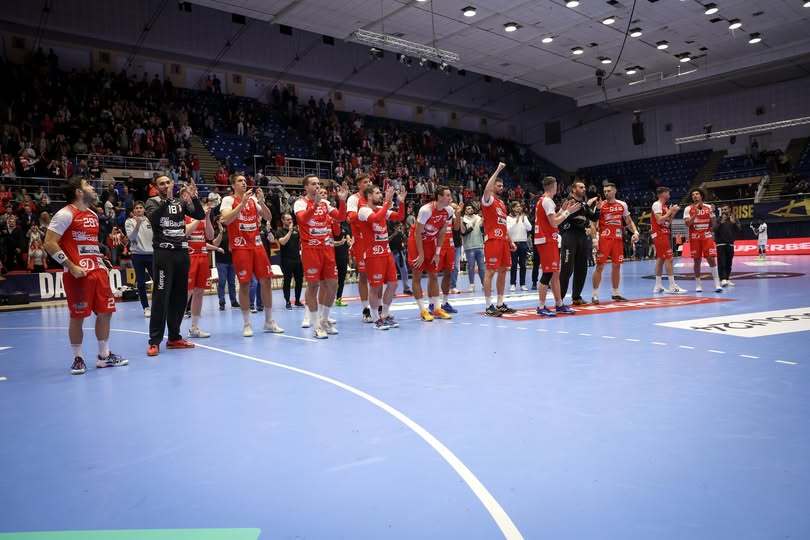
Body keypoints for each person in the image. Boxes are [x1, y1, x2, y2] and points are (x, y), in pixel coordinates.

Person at [43, 176, 128, 374]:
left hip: (98, 271)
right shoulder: (64, 214)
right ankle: (78, 358)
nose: (92, 187)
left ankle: (104, 356)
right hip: (78, 274)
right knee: (78, 316)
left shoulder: (92, 214)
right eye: (87, 185)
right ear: (79, 192)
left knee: (106, 312)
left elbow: (88, 243)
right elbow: (49, 243)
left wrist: (102, 260)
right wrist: (71, 266)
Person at [145, 176, 205, 356]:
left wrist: (194, 197)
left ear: (172, 184)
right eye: (161, 183)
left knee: (179, 297)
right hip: (164, 254)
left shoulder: (181, 202)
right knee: (161, 297)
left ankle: (174, 338)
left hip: (181, 253)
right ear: (157, 187)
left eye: (167, 182)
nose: (165, 185)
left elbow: (200, 215)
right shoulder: (152, 202)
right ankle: (154, 341)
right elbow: (154, 220)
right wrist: (167, 200)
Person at [220, 174, 284, 337]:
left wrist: (261, 201)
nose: (244, 183)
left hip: (257, 245)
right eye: (240, 181)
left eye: (244, 180)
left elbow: (269, 217)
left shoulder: (253, 200)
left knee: (266, 280)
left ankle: (269, 321)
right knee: (245, 283)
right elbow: (226, 220)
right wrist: (241, 204)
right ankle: (247, 323)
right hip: (240, 246)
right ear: (233, 184)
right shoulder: (228, 200)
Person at [294, 176, 348, 339]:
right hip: (310, 249)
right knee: (313, 286)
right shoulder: (300, 203)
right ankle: (316, 325)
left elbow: (340, 217)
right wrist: (315, 204)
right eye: (313, 184)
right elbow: (303, 220)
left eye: (319, 184)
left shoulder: (325, 203)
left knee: (332, 284)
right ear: (306, 187)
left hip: (327, 248)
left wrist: (342, 201)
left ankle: (324, 320)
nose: (317, 186)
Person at [358, 184, 407, 330]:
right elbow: (375, 219)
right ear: (369, 196)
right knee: (375, 287)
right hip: (373, 254)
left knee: (393, 284)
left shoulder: (381, 209)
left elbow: (400, 216)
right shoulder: (363, 210)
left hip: (386, 252)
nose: (380, 195)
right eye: (378, 193)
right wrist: (386, 202)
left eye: (380, 193)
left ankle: (385, 314)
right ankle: (375, 319)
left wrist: (402, 202)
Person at [408, 185, 455, 321]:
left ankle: (437, 308)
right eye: (447, 195)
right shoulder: (426, 210)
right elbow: (417, 233)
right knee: (417, 275)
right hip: (416, 242)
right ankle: (423, 310)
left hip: (431, 242)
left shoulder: (449, 210)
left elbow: (442, 232)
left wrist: (437, 252)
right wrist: (421, 254)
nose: (450, 198)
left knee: (433, 274)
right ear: (439, 197)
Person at [534, 176, 580, 316]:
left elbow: (551, 220)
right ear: (553, 186)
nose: (558, 188)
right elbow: (554, 223)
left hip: (549, 239)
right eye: (557, 186)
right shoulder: (547, 201)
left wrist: (561, 210)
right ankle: (541, 307)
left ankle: (559, 304)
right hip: (546, 240)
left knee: (555, 274)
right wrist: (568, 212)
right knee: (548, 273)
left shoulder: (544, 201)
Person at [591, 183, 639, 304]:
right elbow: (593, 223)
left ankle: (616, 293)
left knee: (617, 266)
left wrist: (636, 232)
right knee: (600, 266)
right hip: (604, 240)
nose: (606, 193)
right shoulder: (600, 205)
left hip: (617, 239)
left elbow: (628, 221)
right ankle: (595, 295)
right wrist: (594, 239)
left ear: (615, 191)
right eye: (605, 191)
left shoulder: (622, 204)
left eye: (608, 191)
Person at [480, 162, 517, 317]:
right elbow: (487, 189)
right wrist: (498, 170)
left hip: (503, 241)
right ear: (492, 185)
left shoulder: (502, 204)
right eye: (498, 185)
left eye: (502, 186)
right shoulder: (487, 200)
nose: (501, 188)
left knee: (503, 271)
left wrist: (510, 240)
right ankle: (488, 306)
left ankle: (500, 304)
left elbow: (503, 225)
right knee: (490, 272)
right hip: (493, 240)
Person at [558, 181, 600, 305]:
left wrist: (597, 208)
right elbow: (567, 217)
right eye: (581, 187)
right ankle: (559, 299)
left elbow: (593, 217)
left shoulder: (583, 204)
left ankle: (576, 297)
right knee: (567, 269)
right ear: (573, 189)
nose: (584, 189)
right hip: (569, 236)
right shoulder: (568, 201)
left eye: (584, 187)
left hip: (582, 237)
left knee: (582, 268)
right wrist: (585, 207)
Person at [184, 201, 215, 338]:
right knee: (187, 292)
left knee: (199, 292)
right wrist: (199, 217)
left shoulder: (202, 218)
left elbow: (210, 236)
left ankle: (195, 327)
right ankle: (175, 327)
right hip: (189, 257)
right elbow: (186, 232)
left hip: (203, 256)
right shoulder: (183, 216)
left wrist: (207, 217)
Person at [683, 188, 723, 293]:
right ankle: (698, 284)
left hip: (706, 236)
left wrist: (712, 223)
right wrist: (695, 214)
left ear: (701, 196)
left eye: (697, 194)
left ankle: (717, 284)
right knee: (697, 261)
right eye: (693, 195)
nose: (695, 196)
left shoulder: (709, 207)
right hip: (694, 238)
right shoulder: (688, 208)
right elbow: (687, 224)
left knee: (711, 259)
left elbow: (714, 223)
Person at [346, 174, 373, 323]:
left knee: (378, 276)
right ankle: (366, 309)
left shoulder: (373, 197)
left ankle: (378, 307)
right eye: (365, 182)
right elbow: (350, 217)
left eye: (369, 181)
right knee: (363, 276)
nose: (368, 183)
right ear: (359, 185)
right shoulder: (353, 199)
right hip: (361, 240)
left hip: (374, 240)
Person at [651, 187, 686, 294]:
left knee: (660, 259)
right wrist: (670, 211)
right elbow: (659, 220)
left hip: (664, 233)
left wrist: (673, 212)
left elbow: (668, 222)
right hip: (659, 234)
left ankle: (658, 286)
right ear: (662, 194)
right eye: (668, 192)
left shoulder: (665, 207)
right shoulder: (657, 204)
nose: (669, 194)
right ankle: (672, 286)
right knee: (669, 259)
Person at [125, 201, 154, 316]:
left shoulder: (150, 221)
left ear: (144, 209)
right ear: (133, 210)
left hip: (152, 255)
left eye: (141, 208)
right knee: (141, 283)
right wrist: (137, 224)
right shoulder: (129, 221)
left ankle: (159, 305)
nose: (138, 210)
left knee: (159, 282)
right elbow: (131, 237)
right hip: (137, 255)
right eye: (136, 208)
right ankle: (146, 307)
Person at [433, 203, 461, 315]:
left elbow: (457, 228)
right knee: (433, 275)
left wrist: (458, 214)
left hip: (450, 246)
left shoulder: (451, 213)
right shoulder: (435, 211)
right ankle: (433, 304)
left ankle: (445, 302)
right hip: (437, 246)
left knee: (448, 273)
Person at [275, 212, 304, 309]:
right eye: (288, 219)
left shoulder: (297, 230)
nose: (290, 221)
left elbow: (301, 241)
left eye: (291, 219)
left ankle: (297, 300)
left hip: (297, 259)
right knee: (287, 281)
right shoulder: (280, 231)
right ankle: (287, 301)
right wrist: (290, 231)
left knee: (299, 281)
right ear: (283, 221)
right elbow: (282, 242)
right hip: (286, 260)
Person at [211, 217, 239, 311]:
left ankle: (234, 301)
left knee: (232, 283)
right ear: (217, 221)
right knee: (222, 282)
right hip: (221, 261)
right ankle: (222, 302)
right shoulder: (214, 231)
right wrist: (221, 232)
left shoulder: (231, 229)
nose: (224, 220)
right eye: (221, 219)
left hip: (232, 261)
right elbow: (215, 244)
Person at [507, 201, 532, 292]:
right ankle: (513, 284)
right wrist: (516, 220)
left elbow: (529, 228)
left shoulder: (524, 217)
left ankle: (522, 284)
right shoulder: (508, 218)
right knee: (513, 265)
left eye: (520, 206)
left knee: (523, 265)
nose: (519, 208)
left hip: (523, 243)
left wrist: (523, 220)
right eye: (516, 206)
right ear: (513, 208)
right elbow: (508, 230)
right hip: (513, 243)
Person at [460, 203, 485, 292]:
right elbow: (465, 231)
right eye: (468, 209)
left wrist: (483, 218)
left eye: (471, 208)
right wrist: (474, 222)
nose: (470, 210)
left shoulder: (478, 217)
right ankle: (472, 284)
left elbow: (482, 226)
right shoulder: (463, 219)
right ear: (465, 211)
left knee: (482, 267)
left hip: (479, 245)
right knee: (471, 266)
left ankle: (484, 284)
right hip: (469, 246)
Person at [715, 205, 741, 287]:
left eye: (725, 209)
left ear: (729, 209)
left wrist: (734, 223)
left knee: (729, 262)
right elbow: (714, 229)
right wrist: (720, 223)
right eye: (722, 209)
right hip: (720, 244)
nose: (723, 211)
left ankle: (727, 279)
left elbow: (739, 229)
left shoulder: (734, 219)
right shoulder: (718, 219)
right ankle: (722, 279)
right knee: (721, 262)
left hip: (730, 243)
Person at [388, 220, 411, 295]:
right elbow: (386, 240)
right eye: (398, 226)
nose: (399, 227)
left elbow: (406, 240)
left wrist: (402, 234)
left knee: (404, 271)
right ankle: (392, 291)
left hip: (400, 252)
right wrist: (394, 234)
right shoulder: (388, 230)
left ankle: (406, 289)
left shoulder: (400, 231)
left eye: (399, 226)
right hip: (391, 253)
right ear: (394, 226)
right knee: (392, 273)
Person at [333, 220, 352, 306]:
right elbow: (329, 242)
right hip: (332, 258)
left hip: (343, 257)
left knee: (341, 280)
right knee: (330, 281)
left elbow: (348, 237)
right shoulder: (330, 229)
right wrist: (339, 243)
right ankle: (327, 300)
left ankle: (338, 299)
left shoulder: (345, 228)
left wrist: (348, 241)